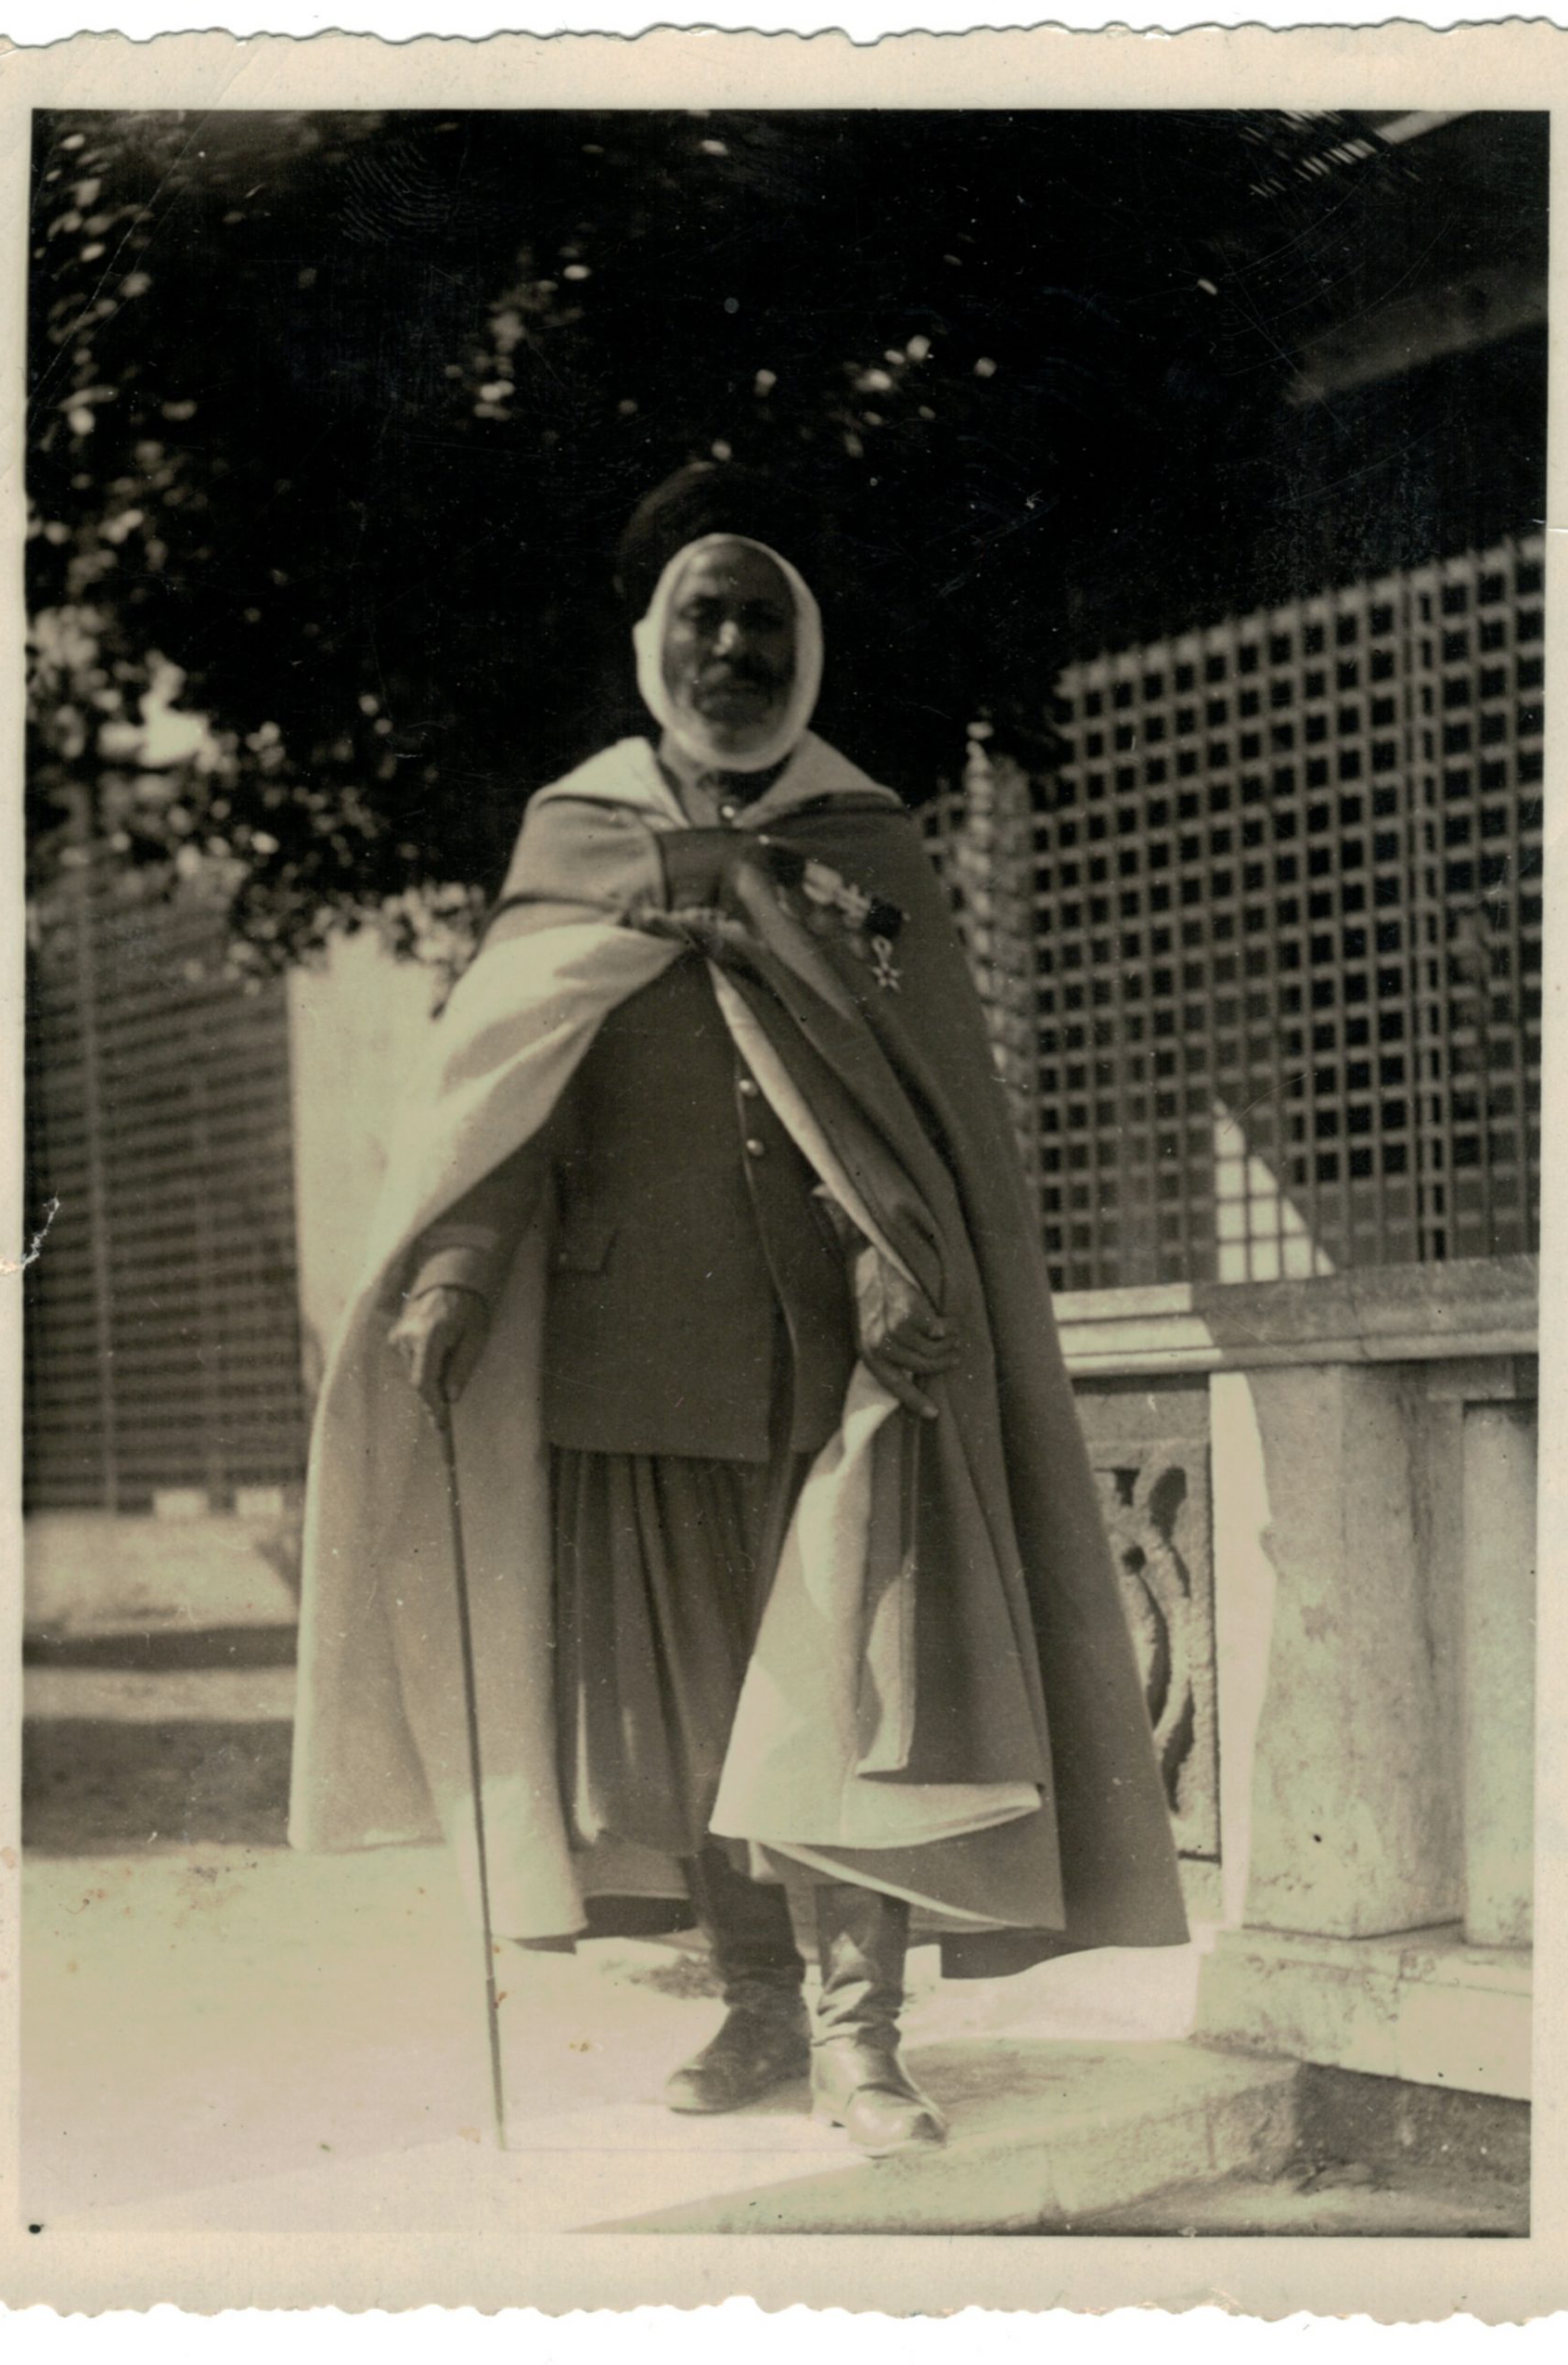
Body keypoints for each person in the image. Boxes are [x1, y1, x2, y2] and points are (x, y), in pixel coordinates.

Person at [290, 469, 1189, 2162]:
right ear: (651, 642)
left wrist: (898, 1246)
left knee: (859, 1700)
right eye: (702, 616)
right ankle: (761, 2005)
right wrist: (456, 1271)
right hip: (636, 1369)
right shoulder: (579, 835)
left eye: (761, 620)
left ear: (808, 648)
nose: (730, 647)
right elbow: (508, 1093)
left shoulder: (866, 840)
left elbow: (928, 1110)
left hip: (855, 1358)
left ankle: (863, 2037)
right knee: (705, 1714)